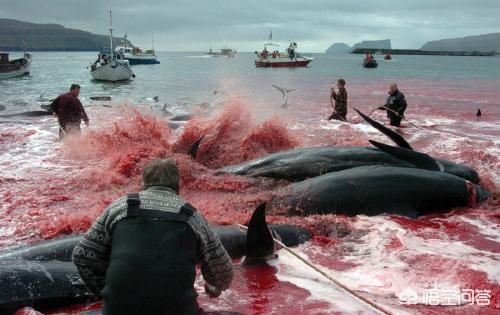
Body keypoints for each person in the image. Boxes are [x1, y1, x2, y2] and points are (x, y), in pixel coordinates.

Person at [72, 158, 234, 315]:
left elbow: (81, 256)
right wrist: (214, 287)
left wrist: (102, 288)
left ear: (144, 182)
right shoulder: (192, 216)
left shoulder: (120, 207)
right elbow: (224, 271)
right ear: (178, 184)